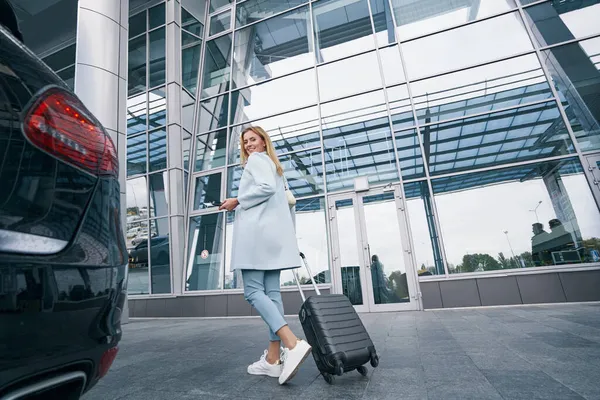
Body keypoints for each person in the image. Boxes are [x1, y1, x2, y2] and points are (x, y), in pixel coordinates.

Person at [219, 126, 312, 385]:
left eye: (253, 139)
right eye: (245, 141)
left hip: (256, 237)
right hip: (272, 239)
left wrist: (236, 200)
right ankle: (273, 360)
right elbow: (275, 192)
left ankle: (292, 344)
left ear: (263, 141)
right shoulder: (273, 165)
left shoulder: (257, 161)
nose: (248, 144)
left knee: (252, 291)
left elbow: (266, 188)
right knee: (272, 295)